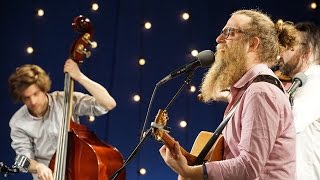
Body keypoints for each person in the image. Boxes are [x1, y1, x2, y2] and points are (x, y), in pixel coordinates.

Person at [159, 9, 297, 179]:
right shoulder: (247, 91)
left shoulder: (260, 91)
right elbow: (232, 160)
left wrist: (189, 172)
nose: (219, 39)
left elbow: (249, 166)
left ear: (252, 44)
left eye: (229, 32)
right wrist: (186, 161)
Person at [8, 59, 116, 180]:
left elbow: (108, 104)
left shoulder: (65, 100)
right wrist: (38, 167)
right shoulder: (17, 122)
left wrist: (79, 77)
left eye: (36, 94)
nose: (33, 102)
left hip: (77, 174)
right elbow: (22, 160)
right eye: (26, 98)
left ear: (44, 88)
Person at [279, 22, 320, 180]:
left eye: (289, 46)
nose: (281, 52)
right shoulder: (301, 82)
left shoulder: (315, 80)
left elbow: (286, 126)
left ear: (307, 51)